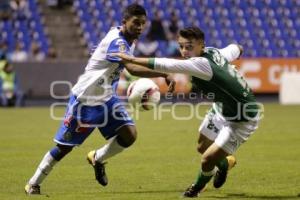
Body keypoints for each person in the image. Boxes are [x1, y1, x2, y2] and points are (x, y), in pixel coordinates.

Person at [24, 4, 175, 195]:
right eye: (136, 22)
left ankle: (98, 158)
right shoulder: (117, 42)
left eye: (143, 24)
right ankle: (33, 183)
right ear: (124, 22)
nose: (140, 27)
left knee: (129, 134)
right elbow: (132, 68)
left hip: (106, 97)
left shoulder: (129, 40)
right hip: (86, 101)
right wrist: (163, 73)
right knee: (64, 148)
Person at [111, 26, 260, 198]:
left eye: (189, 46)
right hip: (221, 109)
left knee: (207, 160)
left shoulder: (201, 64)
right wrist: (239, 49)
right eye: (181, 46)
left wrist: (132, 59)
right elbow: (235, 48)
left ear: (201, 46)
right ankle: (225, 164)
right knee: (202, 147)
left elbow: (167, 63)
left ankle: (195, 190)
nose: (184, 51)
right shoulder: (213, 52)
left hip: (242, 118)